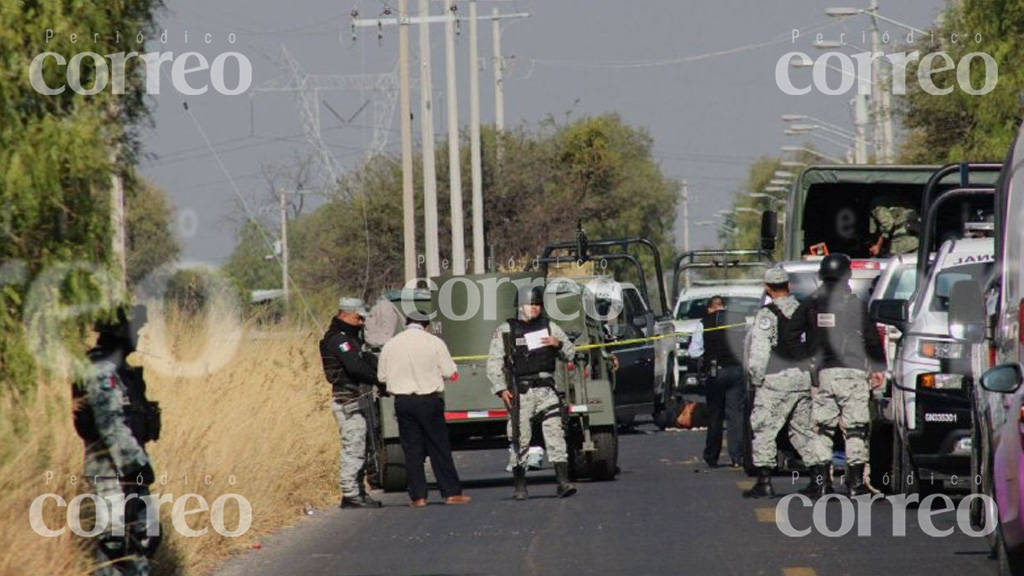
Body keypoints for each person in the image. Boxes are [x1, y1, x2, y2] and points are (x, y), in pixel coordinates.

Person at [784, 254, 886, 497]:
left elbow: (789, 334)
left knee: (822, 429)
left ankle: (822, 484)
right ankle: (855, 485)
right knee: (855, 430)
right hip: (853, 375)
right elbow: (871, 339)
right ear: (847, 275)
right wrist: (879, 367)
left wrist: (805, 358)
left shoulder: (810, 303)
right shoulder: (855, 304)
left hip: (823, 376)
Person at [73, 305, 161, 576]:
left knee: (144, 537)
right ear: (120, 331)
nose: (140, 335)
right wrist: (137, 465)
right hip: (110, 471)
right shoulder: (101, 368)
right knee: (116, 546)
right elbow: (110, 423)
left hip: (128, 472)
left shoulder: (118, 367)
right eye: (136, 329)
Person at [742, 267, 827, 499]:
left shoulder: (767, 315)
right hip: (802, 378)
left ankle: (764, 481)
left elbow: (760, 352)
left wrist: (756, 379)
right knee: (804, 430)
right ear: (788, 285)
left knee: (764, 428)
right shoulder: (804, 310)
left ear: (767, 288)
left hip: (776, 380)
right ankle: (819, 479)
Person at [486, 285, 577, 500]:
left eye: (538, 304)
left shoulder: (550, 327)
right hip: (521, 392)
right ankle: (520, 485)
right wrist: (500, 389)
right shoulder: (506, 330)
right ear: (520, 306)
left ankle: (562, 482)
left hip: (546, 389)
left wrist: (559, 344)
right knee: (520, 438)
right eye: (531, 304)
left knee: (555, 435)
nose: (535, 308)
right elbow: (493, 362)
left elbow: (571, 354)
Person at [377, 316, 471, 507]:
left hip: (402, 401)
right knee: (438, 447)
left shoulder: (391, 344)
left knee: (412, 450)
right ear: (426, 325)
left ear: (407, 324)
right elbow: (448, 371)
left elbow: (382, 376)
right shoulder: (434, 342)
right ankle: (451, 493)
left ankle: (418, 496)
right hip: (428, 400)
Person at [320, 297, 384, 509]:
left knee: (362, 446)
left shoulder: (349, 338)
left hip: (355, 398)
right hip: (347, 399)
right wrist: (377, 379)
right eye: (358, 318)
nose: (361, 323)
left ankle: (358, 490)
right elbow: (355, 367)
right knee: (354, 446)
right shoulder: (339, 340)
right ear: (345, 315)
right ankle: (350, 493)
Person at [688, 296, 746, 468]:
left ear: (709, 309)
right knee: (735, 415)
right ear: (724, 307)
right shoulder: (738, 320)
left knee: (715, 415)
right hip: (736, 370)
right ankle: (737, 456)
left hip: (715, 372)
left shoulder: (703, 323)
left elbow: (694, 352)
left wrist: (707, 355)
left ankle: (712, 456)